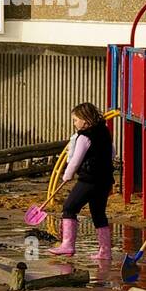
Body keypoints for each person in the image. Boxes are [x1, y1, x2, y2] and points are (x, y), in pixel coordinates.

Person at [48, 102, 114, 259]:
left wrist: (67, 175)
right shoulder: (104, 132)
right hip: (105, 180)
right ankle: (105, 252)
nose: (74, 123)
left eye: (75, 120)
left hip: (89, 180)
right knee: (98, 213)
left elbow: (75, 160)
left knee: (69, 207)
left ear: (85, 120)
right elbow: (112, 153)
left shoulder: (84, 137)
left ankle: (68, 245)